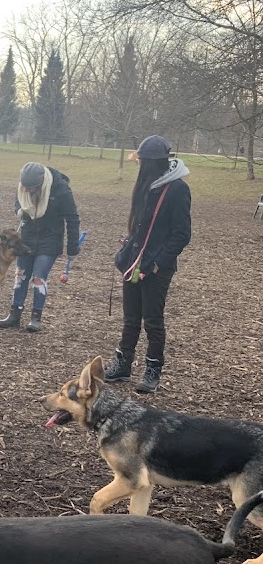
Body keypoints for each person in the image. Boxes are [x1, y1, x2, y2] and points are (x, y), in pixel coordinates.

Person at [104, 135, 191, 394]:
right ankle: (123, 363)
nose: (141, 167)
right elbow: (141, 223)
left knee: (153, 320)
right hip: (135, 260)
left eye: (144, 162)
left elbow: (181, 234)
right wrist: (130, 242)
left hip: (157, 267)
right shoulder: (146, 184)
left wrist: (158, 264)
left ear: (156, 162)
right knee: (131, 317)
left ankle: (153, 369)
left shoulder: (177, 189)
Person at [0, 162, 81, 332]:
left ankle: (36, 317)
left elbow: (72, 218)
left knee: (38, 276)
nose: (28, 191)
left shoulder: (60, 189)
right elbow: (18, 205)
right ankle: (15, 314)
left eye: (32, 187)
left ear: (42, 183)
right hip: (27, 237)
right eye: (25, 187)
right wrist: (21, 213)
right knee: (20, 275)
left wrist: (72, 247)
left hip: (50, 238)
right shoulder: (23, 188)